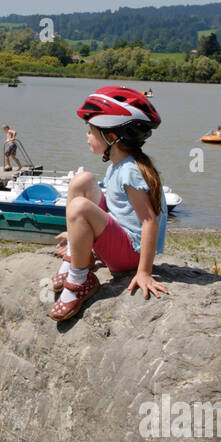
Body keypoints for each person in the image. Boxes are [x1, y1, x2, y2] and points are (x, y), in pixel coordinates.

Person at [49, 87, 169, 322]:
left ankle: (79, 278)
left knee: (80, 206)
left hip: (131, 255)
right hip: (122, 238)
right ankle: (76, 251)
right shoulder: (119, 164)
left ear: (112, 137)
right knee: (81, 181)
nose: (87, 136)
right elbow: (116, 209)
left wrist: (144, 272)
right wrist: (78, 234)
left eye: (91, 131)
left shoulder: (131, 172)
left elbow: (149, 222)